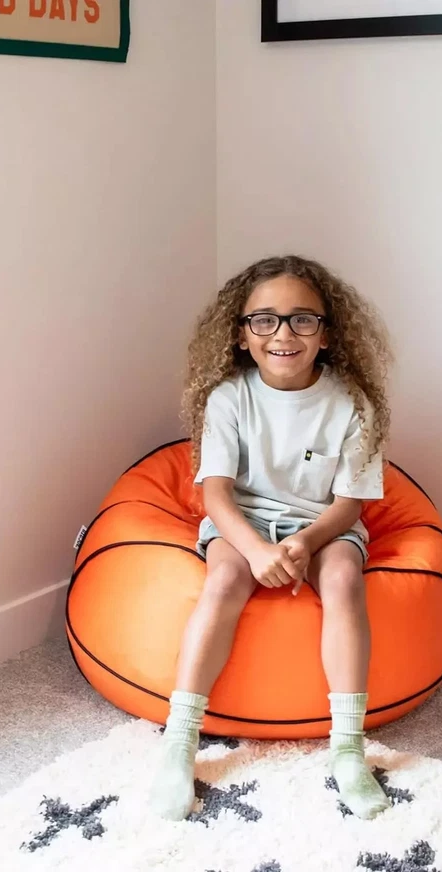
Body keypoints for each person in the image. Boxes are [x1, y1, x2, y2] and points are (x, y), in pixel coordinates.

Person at [149, 254, 393, 821]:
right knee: (225, 578)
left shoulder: (352, 403)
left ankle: (348, 749)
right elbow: (215, 495)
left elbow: (351, 502)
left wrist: (305, 543)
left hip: (322, 524)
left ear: (327, 333)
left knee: (343, 577)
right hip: (243, 520)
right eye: (264, 320)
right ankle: (179, 745)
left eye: (302, 319)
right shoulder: (228, 398)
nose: (283, 334)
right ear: (240, 334)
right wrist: (258, 550)